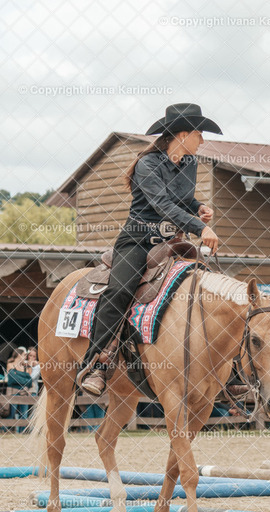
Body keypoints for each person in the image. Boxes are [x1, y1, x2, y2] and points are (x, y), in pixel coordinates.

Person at [77, 104, 222, 396]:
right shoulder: (148, 164)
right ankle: (97, 363)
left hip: (173, 240)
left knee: (211, 283)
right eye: (199, 133)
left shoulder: (190, 163)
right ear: (183, 134)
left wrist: (198, 206)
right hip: (138, 240)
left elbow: (181, 198)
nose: (202, 140)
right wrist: (200, 228)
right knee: (119, 290)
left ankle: (227, 370)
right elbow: (163, 204)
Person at [6, 348, 32, 431]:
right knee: (11, 413)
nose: (25, 357)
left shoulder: (25, 367)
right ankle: (6, 431)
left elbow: (30, 381)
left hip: (24, 393)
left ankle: (22, 431)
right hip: (13, 392)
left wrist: (21, 379)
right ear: (18, 355)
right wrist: (25, 380)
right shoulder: (10, 364)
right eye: (24, 355)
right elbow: (12, 379)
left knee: (24, 414)